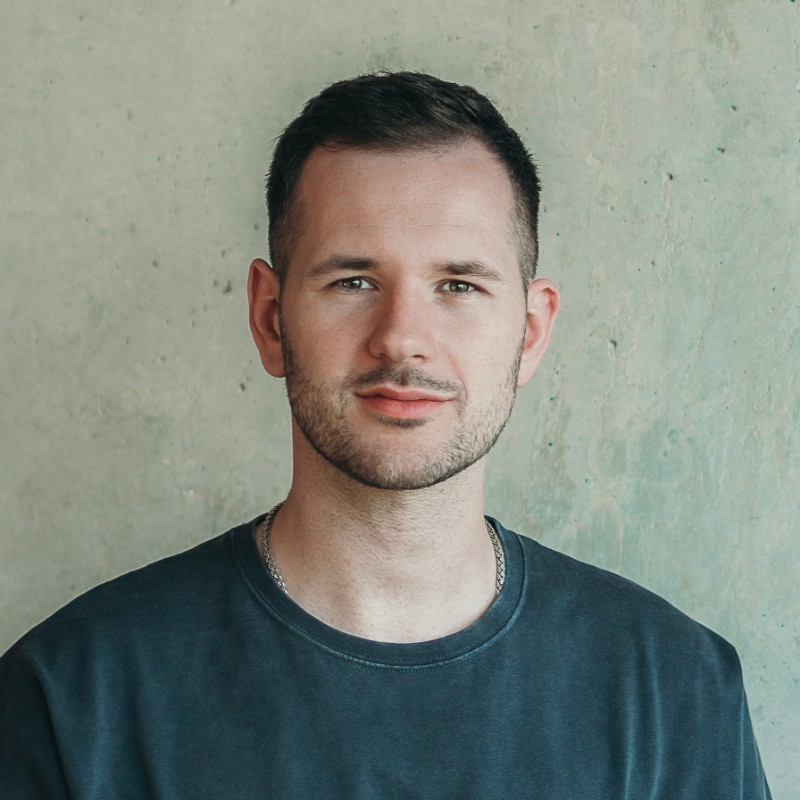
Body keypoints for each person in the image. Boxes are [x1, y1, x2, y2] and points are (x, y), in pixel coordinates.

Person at [0, 72, 770, 799]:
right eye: (354, 282)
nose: (402, 337)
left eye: (458, 285)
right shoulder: (72, 699)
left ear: (531, 332)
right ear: (270, 319)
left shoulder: (677, 693)